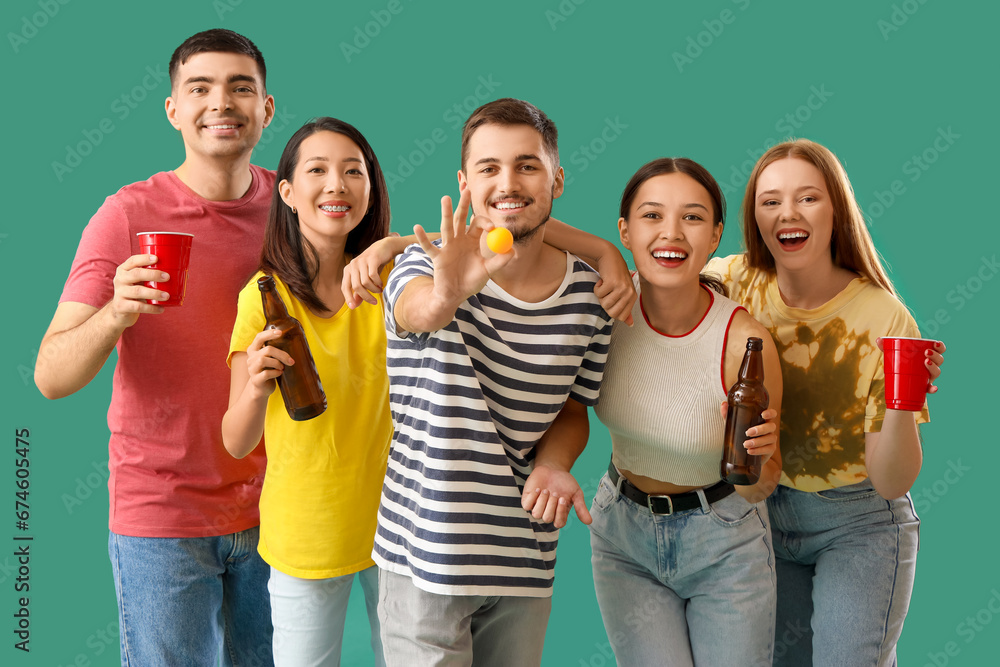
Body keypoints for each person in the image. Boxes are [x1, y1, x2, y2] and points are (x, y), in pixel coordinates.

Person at [35, 29, 275, 666]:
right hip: (162, 519)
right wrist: (116, 311)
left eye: (239, 87)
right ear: (174, 110)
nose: (220, 103)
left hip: (282, 508)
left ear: (266, 109)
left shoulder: (297, 205)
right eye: (200, 89)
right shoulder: (126, 214)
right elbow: (51, 376)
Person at [369, 98, 613, 666]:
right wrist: (447, 295)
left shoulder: (591, 297)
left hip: (524, 560)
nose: (509, 182)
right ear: (465, 181)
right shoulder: (422, 266)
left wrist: (555, 465)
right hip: (424, 558)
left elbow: (574, 409)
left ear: (556, 179)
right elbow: (419, 314)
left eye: (527, 165)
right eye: (489, 168)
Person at [704, 138, 945, 667]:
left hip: (860, 522)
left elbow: (892, 481)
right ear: (756, 218)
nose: (787, 213)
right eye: (770, 201)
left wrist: (903, 403)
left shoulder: (885, 320)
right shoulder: (735, 281)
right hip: (764, 514)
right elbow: (654, 278)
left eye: (807, 198)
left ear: (836, 209)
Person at [550, 158, 784, 665]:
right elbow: (510, 228)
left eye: (693, 218)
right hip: (623, 538)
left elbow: (763, 485)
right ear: (626, 231)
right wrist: (395, 246)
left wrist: (758, 462)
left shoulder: (744, 343)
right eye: (652, 216)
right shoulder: (602, 307)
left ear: (716, 235)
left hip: (725, 542)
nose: (671, 233)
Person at [222, 117, 393, 666]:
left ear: (371, 188)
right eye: (317, 170)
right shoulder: (264, 297)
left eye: (353, 171)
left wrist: (389, 245)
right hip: (307, 529)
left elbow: (480, 239)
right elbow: (235, 440)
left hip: (402, 525)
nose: (337, 185)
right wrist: (253, 388)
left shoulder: (392, 279)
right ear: (288, 193)